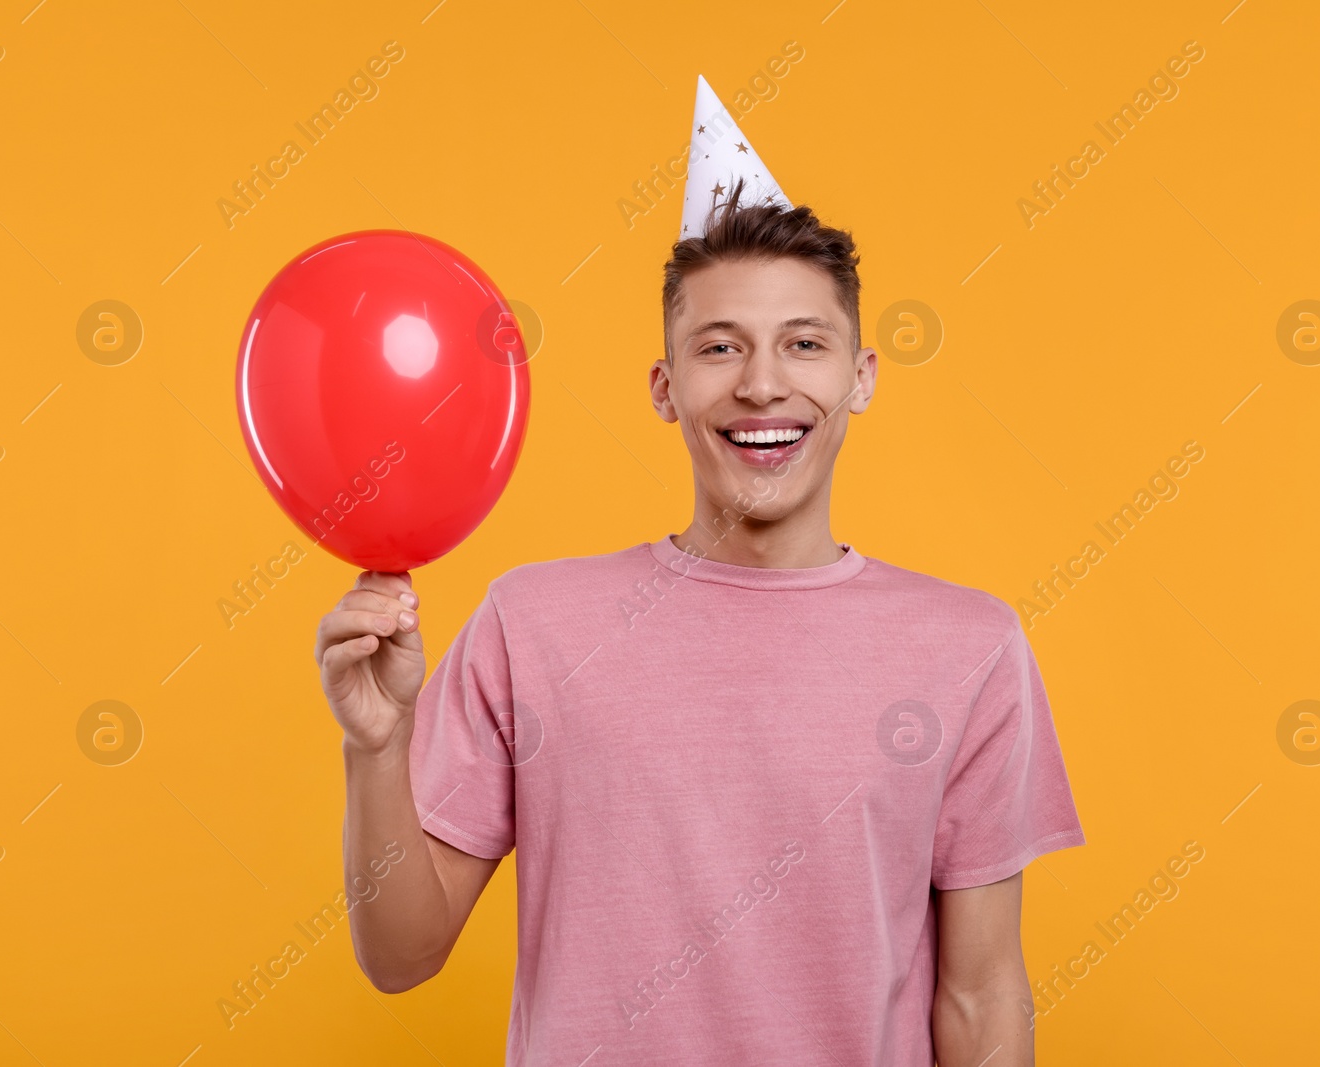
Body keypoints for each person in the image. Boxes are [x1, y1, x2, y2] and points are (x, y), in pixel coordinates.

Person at [315, 174, 1087, 1065]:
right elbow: (400, 955)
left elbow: (981, 994)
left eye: (804, 343)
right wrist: (376, 748)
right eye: (719, 348)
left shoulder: (968, 648)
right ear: (664, 385)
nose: (763, 384)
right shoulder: (532, 623)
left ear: (861, 377)